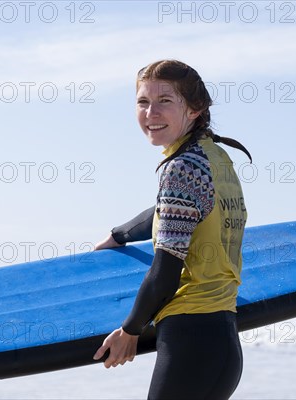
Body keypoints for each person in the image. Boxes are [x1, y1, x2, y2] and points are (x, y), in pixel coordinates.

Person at [92, 59, 251, 400]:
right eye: (143, 102)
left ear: (195, 109)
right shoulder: (215, 158)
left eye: (165, 101)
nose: (151, 112)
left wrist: (129, 330)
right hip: (220, 338)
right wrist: (120, 234)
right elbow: (177, 210)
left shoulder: (181, 167)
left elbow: (165, 271)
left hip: (190, 339)